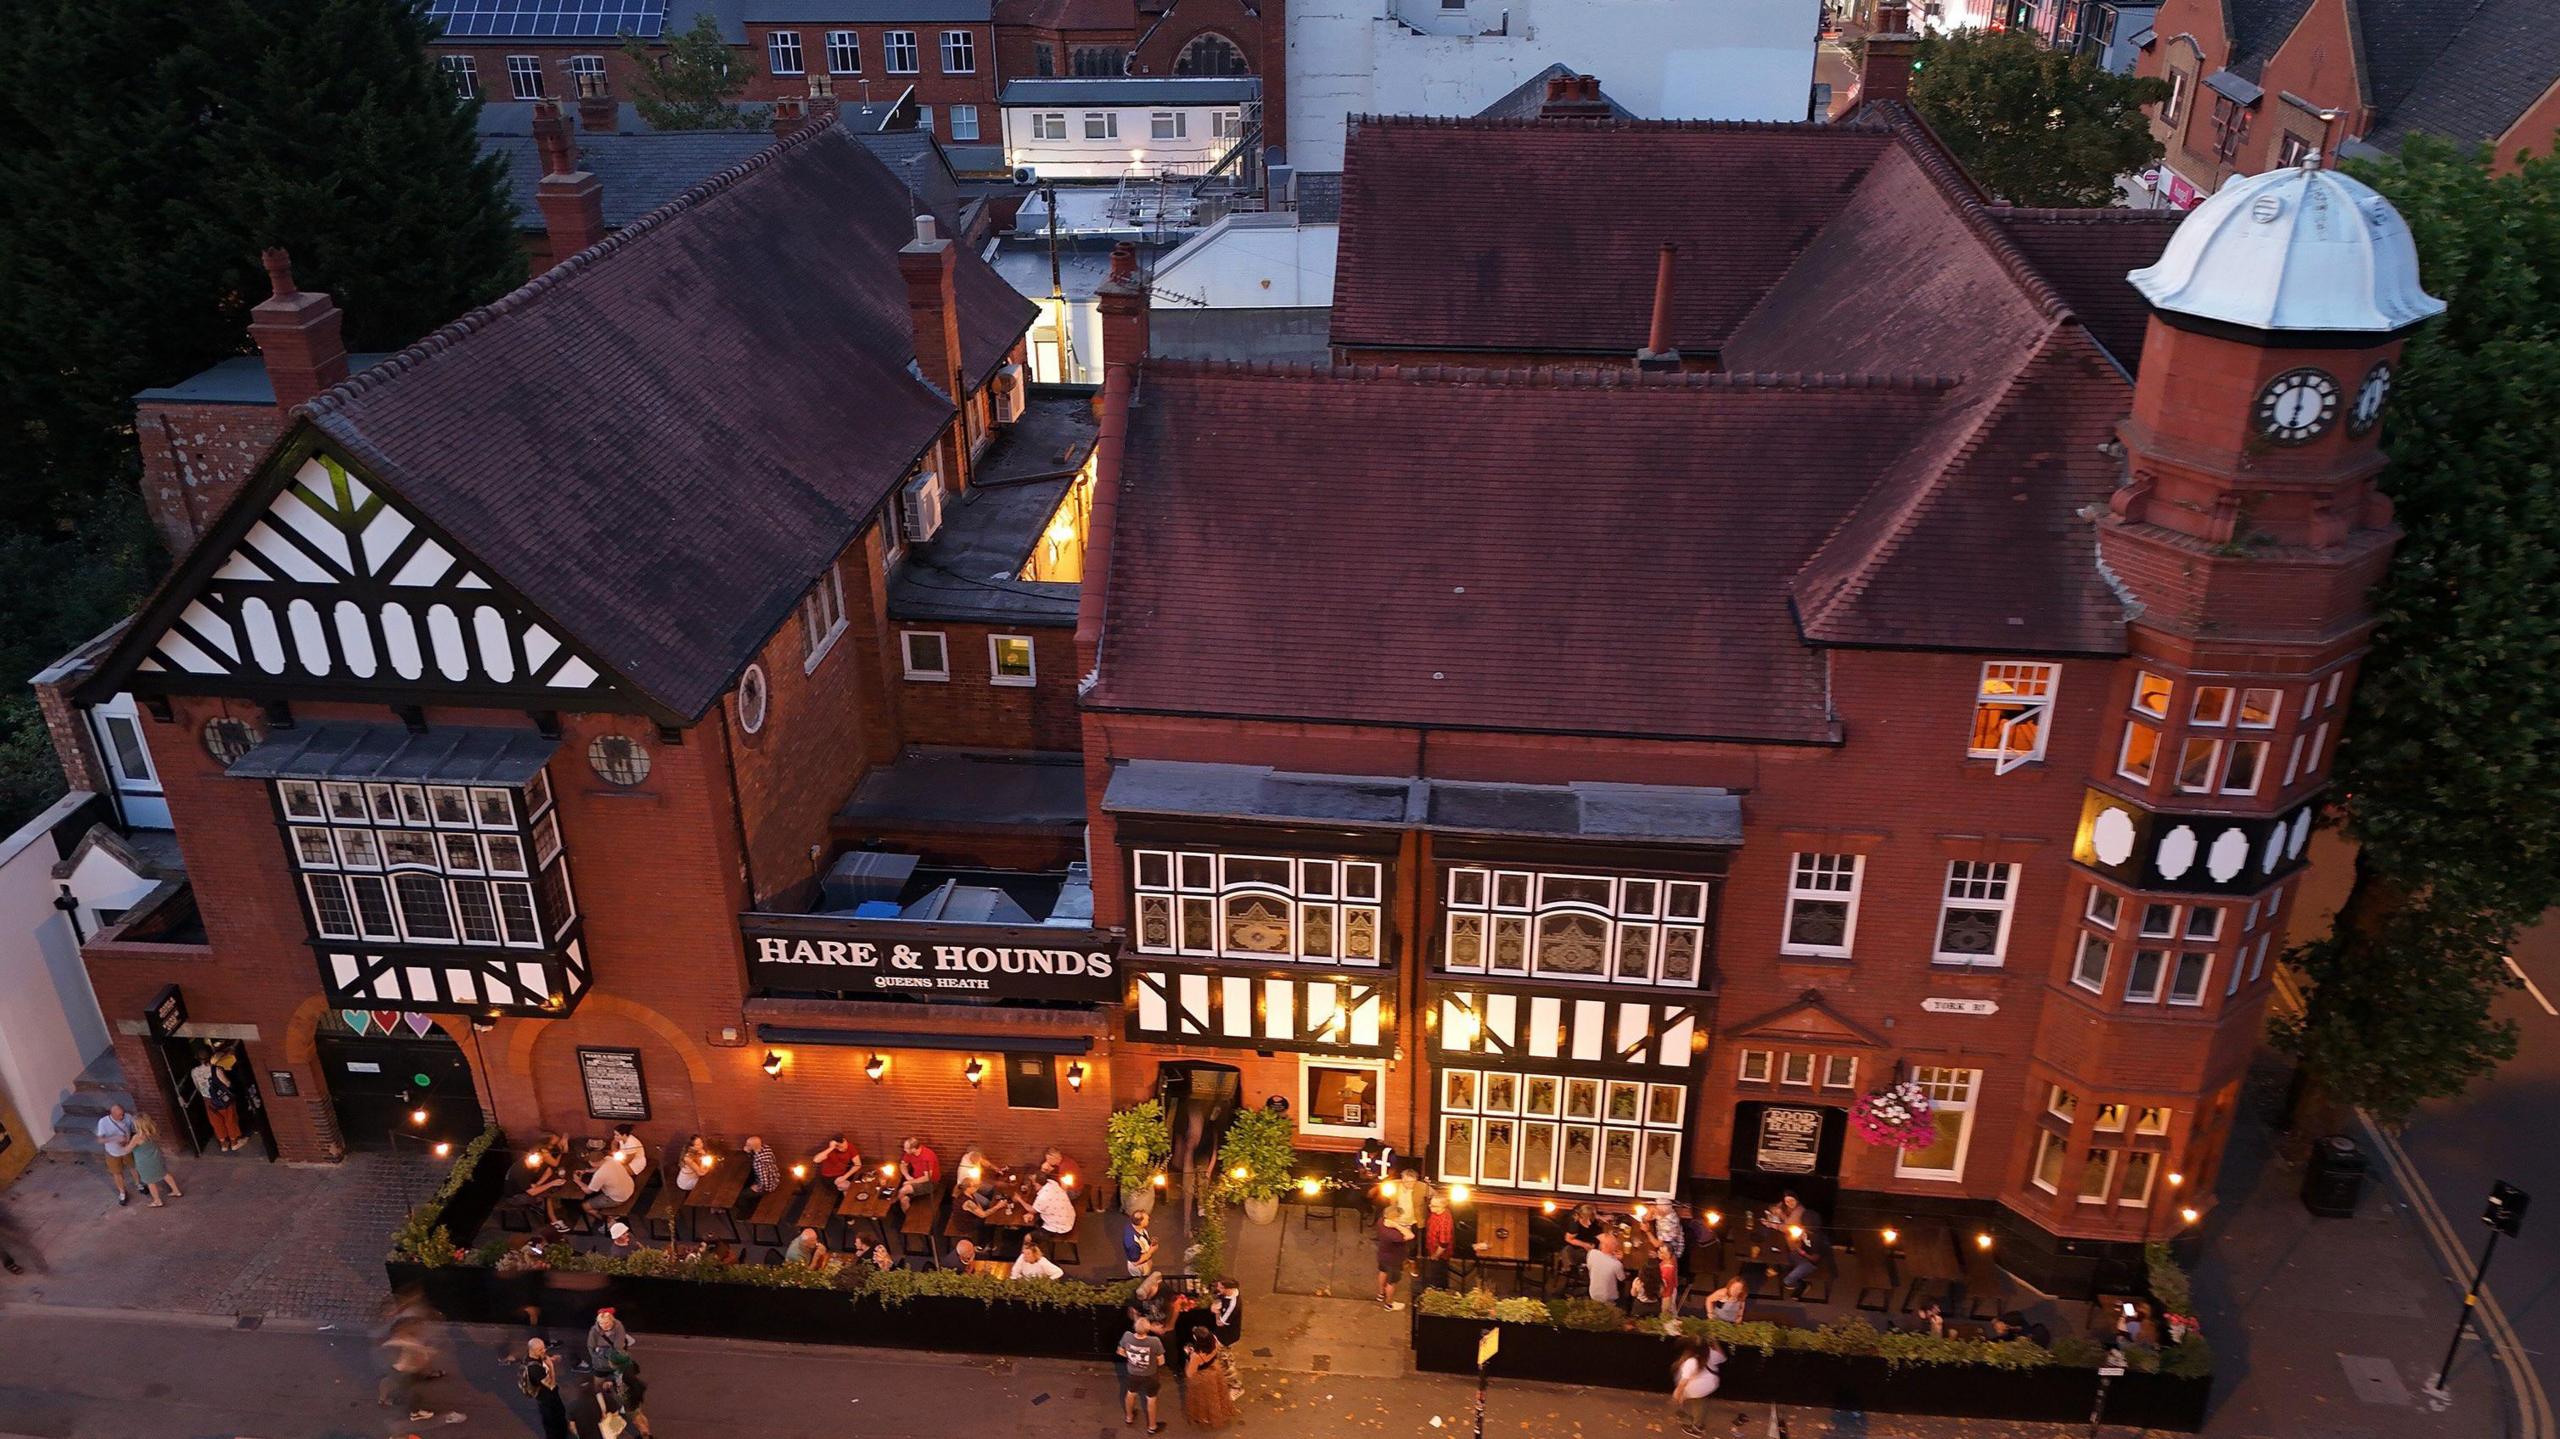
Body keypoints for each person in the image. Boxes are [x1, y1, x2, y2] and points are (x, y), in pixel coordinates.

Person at [377, 1311, 446, 1421]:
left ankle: (382, 1399)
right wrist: (427, 1352)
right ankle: (415, 1413)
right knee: (411, 1394)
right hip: (405, 1373)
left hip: (396, 1370)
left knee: (387, 1381)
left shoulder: (399, 1339)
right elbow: (419, 1353)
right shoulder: (407, 1342)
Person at [191, 1043, 247, 1153]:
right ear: (211, 1056)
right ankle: (234, 1142)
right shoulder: (216, 1069)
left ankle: (223, 1144)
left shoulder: (194, 1071)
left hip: (208, 1100)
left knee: (216, 1121)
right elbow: (227, 1083)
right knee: (230, 1119)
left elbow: (197, 1086)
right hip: (223, 1099)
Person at [1118, 1318, 1169, 1433]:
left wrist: (1132, 1357)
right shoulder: (1154, 1341)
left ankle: (1129, 1417)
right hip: (1150, 1375)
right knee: (1151, 1399)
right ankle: (1152, 1427)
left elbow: (1120, 1351)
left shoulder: (1127, 1336)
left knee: (1130, 1394)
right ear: (1148, 1328)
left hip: (1132, 1373)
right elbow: (1161, 1362)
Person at [1183, 1326, 1238, 1429]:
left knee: (1203, 1399)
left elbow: (1190, 1373)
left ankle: (1205, 1417)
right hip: (1214, 1371)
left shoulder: (1196, 1356)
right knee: (1215, 1396)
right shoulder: (1214, 1341)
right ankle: (1217, 1414)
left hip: (1203, 1378)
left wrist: (1188, 1355)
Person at [1668, 1339, 1726, 1436]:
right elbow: (1722, 1357)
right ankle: (1698, 1425)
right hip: (1709, 1385)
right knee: (1700, 1404)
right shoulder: (1710, 1353)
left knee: (1683, 1407)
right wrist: (1715, 1342)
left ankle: (1692, 1426)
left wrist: (1677, 1394)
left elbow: (1683, 1383)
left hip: (1695, 1388)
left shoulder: (1691, 1361)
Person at [568, 1152, 635, 1229]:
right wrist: (586, 1171)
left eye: (589, 1161)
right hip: (629, 1187)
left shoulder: (599, 1175)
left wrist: (577, 1181)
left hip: (618, 1198)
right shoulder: (610, 1159)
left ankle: (609, 1221)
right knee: (598, 1189)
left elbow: (588, 1191)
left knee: (585, 1206)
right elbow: (599, 1167)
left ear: (593, 1162)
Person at [129, 1111, 182, 1205]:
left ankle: (157, 1201)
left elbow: (127, 1149)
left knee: (150, 1181)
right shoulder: (153, 1130)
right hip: (156, 1157)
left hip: (144, 1162)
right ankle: (176, 1191)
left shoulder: (137, 1137)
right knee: (165, 1174)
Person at [522, 1336, 570, 1439]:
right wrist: (551, 1366)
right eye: (540, 1350)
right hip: (546, 1397)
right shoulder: (535, 1370)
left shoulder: (533, 1356)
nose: (544, 1351)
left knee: (559, 1414)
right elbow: (551, 1385)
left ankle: (562, 1431)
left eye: (544, 1348)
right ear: (532, 1350)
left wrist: (549, 1358)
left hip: (549, 1395)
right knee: (552, 1420)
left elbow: (542, 1358)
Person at [1374, 1193, 1414, 1311]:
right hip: (1394, 1260)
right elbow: (1410, 1235)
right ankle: (1389, 1304)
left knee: (1382, 1272)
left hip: (1382, 1256)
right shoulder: (1394, 1235)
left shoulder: (1381, 1222)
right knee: (1392, 1282)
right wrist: (1398, 1226)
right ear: (1394, 1218)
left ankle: (1381, 1294)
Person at [95, 1103, 139, 1206]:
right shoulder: (103, 1122)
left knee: (133, 1167)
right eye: (119, 1115)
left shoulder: (128, 1117)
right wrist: (115, 1138)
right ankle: (122, 1192)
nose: (122, 1117)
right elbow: (100, 1140)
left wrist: (130, 1139)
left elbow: (134, 1129)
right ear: (112, 1114)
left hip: (127, 1149)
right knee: (117, 1172)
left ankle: (139, 1184)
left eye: (122, 1114)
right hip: (113, 1152)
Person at [601, 1351, 653, 1439]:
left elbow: (639, 1387)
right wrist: (611, 1381)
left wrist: (629, 1403)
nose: (609, 1362)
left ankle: (644, 1435)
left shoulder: (627, 1376)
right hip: (625, 1404)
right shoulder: (623, 1370)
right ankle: (642, 1434)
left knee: (636, 1421)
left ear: (616, 1364)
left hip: (628, 1405)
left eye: (610, 1361)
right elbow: (614, 1376)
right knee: (634, 1419)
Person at [1781, 1218, 1830, 1297]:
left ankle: (1803, 1285)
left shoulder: (1817, 1239)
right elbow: (1798, 1241)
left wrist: (1803, 1253)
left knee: (1787, 1281)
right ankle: (1795, 1273)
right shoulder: (1803, 1231)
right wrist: (1797, 1239)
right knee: (1782, 1259)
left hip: (1810, 1263)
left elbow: (1815, 1259)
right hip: (1800, 1255)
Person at [1419, 1194, 1457, 1291]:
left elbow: (1444, 1243)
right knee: (1434, 1272)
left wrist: (1435, 1255)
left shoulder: (1444, 1221)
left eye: (1434, 1206)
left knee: (1438, 1275)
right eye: (1430, 1204)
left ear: (1442, 1206)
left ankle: (1438, 1291)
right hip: (1432, 1247)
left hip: (1440, 1254)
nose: (1430, 1207)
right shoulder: (1435, 1212)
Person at [1032, 1171, 1078, 1242]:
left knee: (1029, 1237)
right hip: (1070, 1216)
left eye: (1034, 1182)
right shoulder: (1053, 1184)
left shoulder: (1042, 1197)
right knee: (1038, 1216)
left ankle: (1032, 1249)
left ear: (1038, 1184)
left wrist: (1019, 1199)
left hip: (1060, 1227)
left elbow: (1032, 1210)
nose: (1032, 1183)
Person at [896, 1136, 940, 1205]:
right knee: (904, 1200)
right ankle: (905, 1213)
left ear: (913, 1149)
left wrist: (911, 1182)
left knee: (903, 1190)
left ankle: (894, 1205)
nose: (904, 1150)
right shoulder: (910, 1153)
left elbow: (927, 1177)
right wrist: (907, 1176)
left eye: (906, 1148)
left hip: (930, 1183)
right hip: (916, 1179)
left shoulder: (927, 1157)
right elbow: (902, 1165)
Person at [1587, 1231, 1627, 1305]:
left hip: (1593, 1293)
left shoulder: (1592, 1253)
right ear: (1614, 1248)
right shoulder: (1616, 1264)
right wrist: (1620, 1260)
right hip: (1609, 1298)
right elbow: (1622, 1278)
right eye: (1615, 1244)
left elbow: (1590, 1267)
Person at [1209, 1277, 1243, 1347]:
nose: (1218, 1288)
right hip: (1220, 1328)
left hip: (1226, 1336)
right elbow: (1218, 1298)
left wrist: (1216, 1312)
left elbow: (1220, 1323)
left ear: (1228, 1289)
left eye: (1221, 1287)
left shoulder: (1232, 1305)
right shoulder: (1232, 1290)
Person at [1124, 1208, 1158, 1277]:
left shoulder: (1136, 1227)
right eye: (1147, 1219)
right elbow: (1135, 1262)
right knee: (1141, 1280)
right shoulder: (1132, 1242)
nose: (1149, 1220)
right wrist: (1151, 1251)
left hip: (1146, 1260)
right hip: (1140, 1266)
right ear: (1141, 1222)